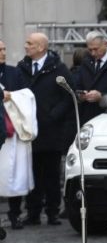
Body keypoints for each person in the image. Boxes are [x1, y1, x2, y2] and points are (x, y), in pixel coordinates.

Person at [17, 32, 75, 226]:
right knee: (31, 173)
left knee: (51, 175)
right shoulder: (22, 68)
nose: (26, 46)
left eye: (29, 43)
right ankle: (32, 212)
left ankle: (52, 212)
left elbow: (68, 96)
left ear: (41, 47)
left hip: (51, 132)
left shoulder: (58, 69)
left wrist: (53, 116)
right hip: (28, 131)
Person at [1, 40, 29, 230]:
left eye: (4, 49)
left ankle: (14, 214)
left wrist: (13, 96)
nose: (3, 52)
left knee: (13, 173)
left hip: (10, 131)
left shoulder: (13, 72)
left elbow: (25, 95)